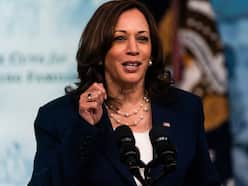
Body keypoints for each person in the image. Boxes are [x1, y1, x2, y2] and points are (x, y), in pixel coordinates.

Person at [28, 0, 221, 186]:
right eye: (120, 38)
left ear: (151, 53)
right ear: (99, 52)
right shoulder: (57, 117)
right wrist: (83, 129)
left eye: (142, 39)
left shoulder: (186, 109)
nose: (133, 49)